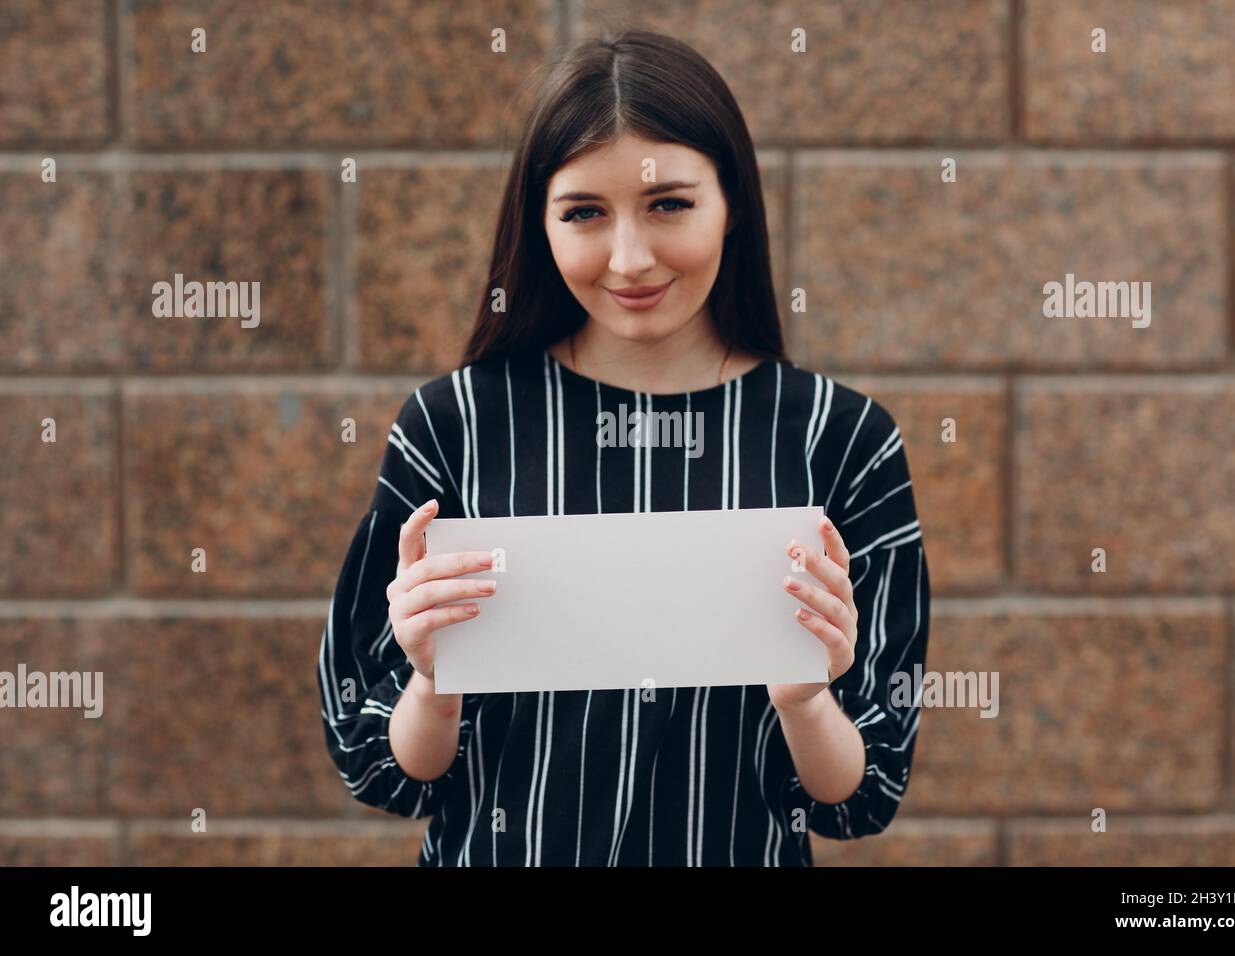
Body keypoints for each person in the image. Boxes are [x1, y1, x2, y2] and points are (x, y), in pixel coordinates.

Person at [317, 28, 930, 866]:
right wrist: (431, 680)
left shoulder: (843, 439)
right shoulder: (454, 424)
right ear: (538, 225)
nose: (630, 258)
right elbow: (391, 773)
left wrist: (804, 699)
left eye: (669, 204)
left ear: (734, 203)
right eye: (584, 214)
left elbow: (860, 795)